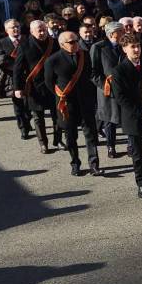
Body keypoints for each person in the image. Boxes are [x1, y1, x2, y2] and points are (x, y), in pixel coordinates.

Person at [45, 31, 102, 177]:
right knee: (71, 137)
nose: (76, 44)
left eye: (77, 40)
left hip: (85, 102)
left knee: (90, 134)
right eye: (71, 42)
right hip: (67, 104)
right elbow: (49, 82)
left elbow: (90, 74)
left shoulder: (84, 55)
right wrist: (62, 95)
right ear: (62, 44)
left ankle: (94, 164)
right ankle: (75, 163)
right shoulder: (53, 60)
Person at [111, 32, 142, 198]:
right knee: (137, 154)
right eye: (133, 47)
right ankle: (141, 183)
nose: (137, 49)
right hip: (133, 117)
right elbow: (121, 98)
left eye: (138, 46)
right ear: (124, 49)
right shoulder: (119, 71)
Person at [13, 20, 59, 154]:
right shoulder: (24, 46)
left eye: (44, 29)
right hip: (34, 86)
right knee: (38, 117)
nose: (42, 32)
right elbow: (18, 69)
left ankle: (58, 140)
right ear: (32, 32)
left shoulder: (54, 43)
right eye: (39, 30)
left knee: (57, 115)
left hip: (53, 84)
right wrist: (17, 88)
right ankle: (43, 143)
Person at [91, 22, 124, 159]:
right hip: (107, 89)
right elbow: (93, 72)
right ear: (112, 34)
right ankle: (111, 146)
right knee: (110, 119)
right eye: (120, 31)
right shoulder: (98, 47)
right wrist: (105, 84)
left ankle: (130, 146)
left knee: (126, 116)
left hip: (124, 87)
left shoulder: (125, 45)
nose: (124, 34)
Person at [0, 19, 31, 139]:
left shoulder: (27, 39)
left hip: (28, 75)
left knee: (28, 103)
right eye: (12, 27)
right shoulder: (2, 42)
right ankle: (23, 128)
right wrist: (15, 67)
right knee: (18, 104)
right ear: (6, 30)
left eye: (17, 26)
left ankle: (28, 120)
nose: (15, 29)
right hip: (12, 77)